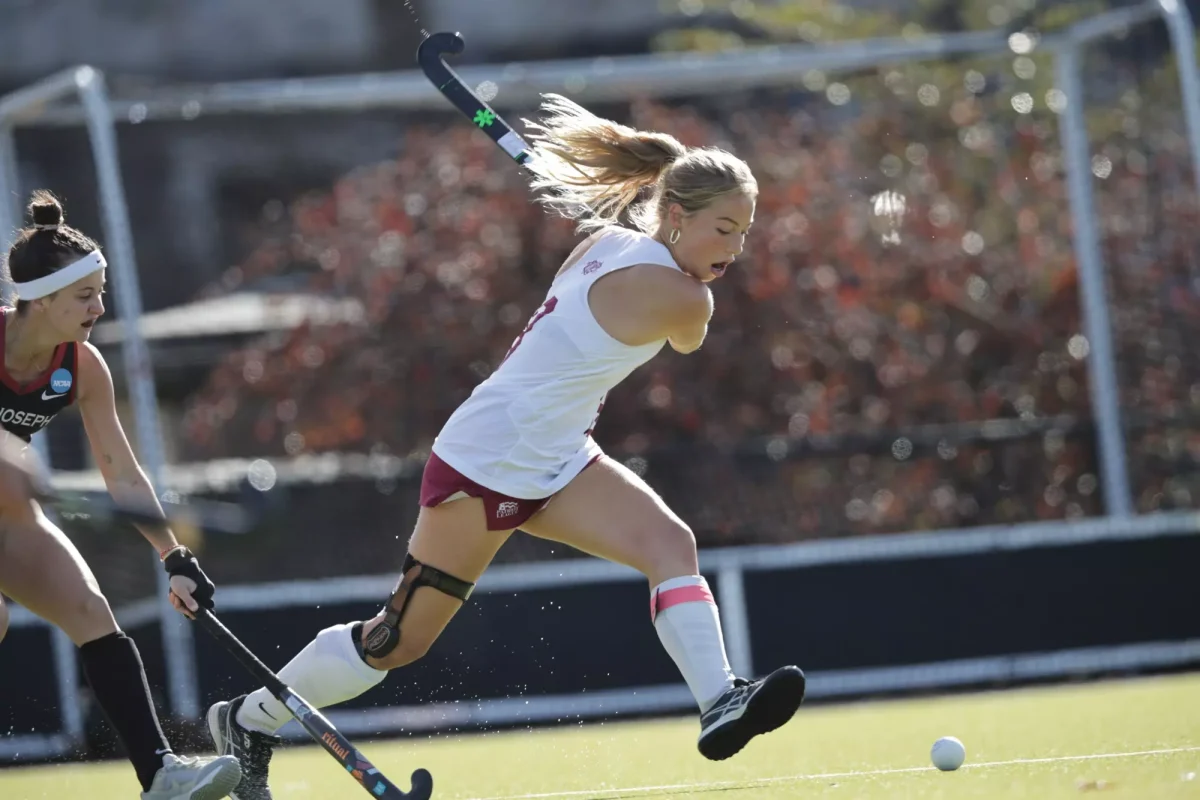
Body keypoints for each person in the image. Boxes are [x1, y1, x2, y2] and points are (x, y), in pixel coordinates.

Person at [207, 94, 805, 799]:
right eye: (723, 230)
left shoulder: (604, 243)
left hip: (558, 455)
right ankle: (250, 720)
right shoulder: (685, 299)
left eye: (744, 233)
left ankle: (720, 702)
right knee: (397, 642)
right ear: (675, 215)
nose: (734, 250)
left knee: (670, 546)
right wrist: (688, 282)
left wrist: (676, 260)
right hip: (485, 460)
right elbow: (688, 338)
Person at [0, 191, 242, 800]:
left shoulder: (81, 367)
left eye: (99, 293)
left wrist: (173, 555)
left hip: (6, 511)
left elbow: (123, 474)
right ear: (40, 299)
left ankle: (161, 775)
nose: (98, 308)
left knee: (91, 614)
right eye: (85, 296)